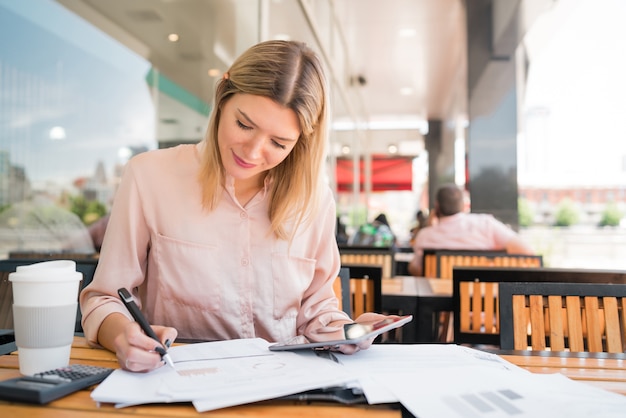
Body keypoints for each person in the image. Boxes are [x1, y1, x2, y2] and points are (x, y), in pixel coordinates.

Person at [80, 40, 394, 373]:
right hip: (178, 384)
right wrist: (122, 334)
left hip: (282, 388)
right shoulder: (149, 176)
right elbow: (105, 299)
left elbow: (317, 310)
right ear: (223, 94)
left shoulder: (315, 199)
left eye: (278, 143)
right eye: (244, 124)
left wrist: (347, 330)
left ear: (301, 142)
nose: (253, 152)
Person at [407, 183, 535, 276]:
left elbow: (416, 269)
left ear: (436, 206)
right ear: (463, 204)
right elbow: (527, 252)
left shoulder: (425, 235)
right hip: (485, 302)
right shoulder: (486, 224)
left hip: (442, 307)